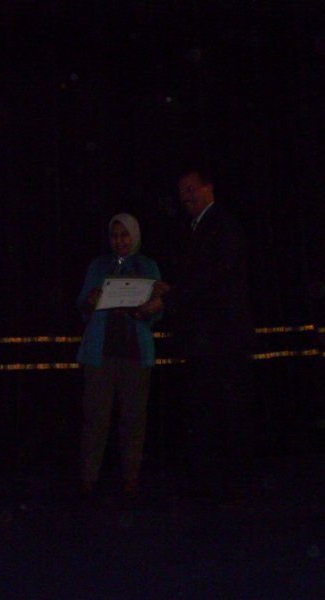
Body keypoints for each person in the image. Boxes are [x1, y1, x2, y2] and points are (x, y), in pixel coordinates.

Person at [139, 168, 256, 503]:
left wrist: (167, 300)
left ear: (209, 188)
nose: (186, 196)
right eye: (181, 192)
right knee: (203, 410)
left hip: (223, 339)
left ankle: (234, 481)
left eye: (191, 188)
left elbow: (212, 278)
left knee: (226, 411)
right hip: (206, 339)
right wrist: (172, 292)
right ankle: (209, 480)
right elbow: (201, 282)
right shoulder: (198, 227)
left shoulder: (223, 225)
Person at [76, 213, 162, 497]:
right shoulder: (98, 265)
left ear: (134, 236)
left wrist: (149, 308)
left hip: (135, 353)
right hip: (99, 353)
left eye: (124, 235)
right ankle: (88, 477)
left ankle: (131, 476)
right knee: (95, 419)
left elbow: (157, 312)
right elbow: (82, 306)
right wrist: (90, 301)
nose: (119, 241)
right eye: (114, 236)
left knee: (133, 419)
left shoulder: (147, 265)